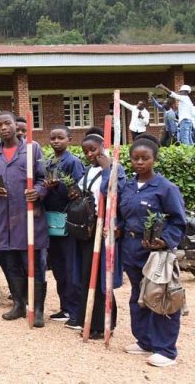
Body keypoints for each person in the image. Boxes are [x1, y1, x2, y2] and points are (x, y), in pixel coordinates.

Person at [110, 136, 186, 367]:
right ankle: (145, 341)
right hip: (131, 250)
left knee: (161, 296)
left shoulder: (166, 188)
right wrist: (117, 228)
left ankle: (166, 350)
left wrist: (164, 240)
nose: (140, 162)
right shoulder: (128, 187)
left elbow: (178, 221)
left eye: (145, 158)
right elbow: (123, 216)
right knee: (139, 297)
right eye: (136, 158)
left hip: (156, 254)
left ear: (155, 159)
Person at [0, 111, 49, 327]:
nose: (4, 128)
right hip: (4, 217)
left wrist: (38, 192)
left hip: (27, 216)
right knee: (10, 263)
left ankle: (38, 309)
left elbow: (43, 178)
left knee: (33, 265)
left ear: (16, 125)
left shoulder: (32, 148)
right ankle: (19, 304)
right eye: (0, 125)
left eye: (7, 123)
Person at [70, 129, 124, 338]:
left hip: (103, 230)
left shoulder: (115, 169)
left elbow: (111, 192)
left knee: (101, 278)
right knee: (86, 275)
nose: (90, 154)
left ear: (102, 147)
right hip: (87, 231)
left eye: (93, 149)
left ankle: (102, 325)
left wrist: (107, 169)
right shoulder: (87, 170)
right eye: (86, 151)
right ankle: (87, 321)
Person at [43, 126, 84, 325]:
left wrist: (60, 186)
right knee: (58, 267)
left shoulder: (73, 162)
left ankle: (76, 310)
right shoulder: (48, 162)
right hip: (52, 221)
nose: (56, 141)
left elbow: (79, 191)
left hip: (68, 221)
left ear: (69, 139)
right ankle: (65, 307)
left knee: (70, 267)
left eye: (60, 138)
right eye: (53, 138)